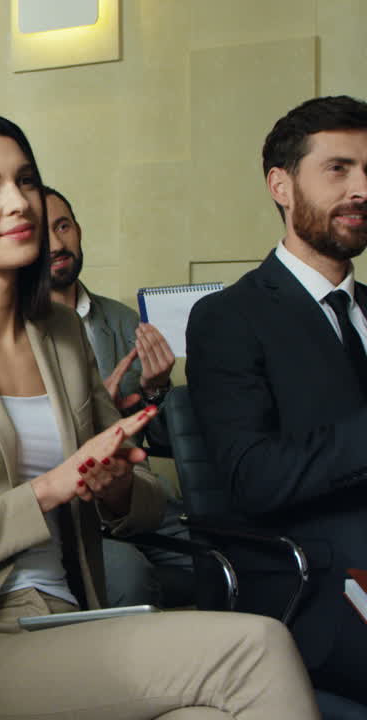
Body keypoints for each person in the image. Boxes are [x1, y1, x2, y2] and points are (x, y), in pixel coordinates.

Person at [0, 112, 317, 719]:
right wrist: (48, 489)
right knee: (256, 647)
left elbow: (144, 501)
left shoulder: (62, 332)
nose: (21, 203)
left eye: (25, 181)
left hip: (72, 615)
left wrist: (119, 488)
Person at [186, 95, 367, 703]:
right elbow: (253, 479)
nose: (362, 188)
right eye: (339, 169)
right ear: (281, 186)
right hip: (315, 582)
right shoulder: (229, 317)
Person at [42, 185, 193, 608]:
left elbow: (162, 441)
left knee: (228, 555)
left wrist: (155, 389)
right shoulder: (19, 329)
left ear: (79, 230)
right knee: (130, 575)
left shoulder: (123, 321)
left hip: (137, 494)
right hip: (70, 506)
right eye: (42, 233)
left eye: (63, 226)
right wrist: (93, 410)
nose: (56, 243)